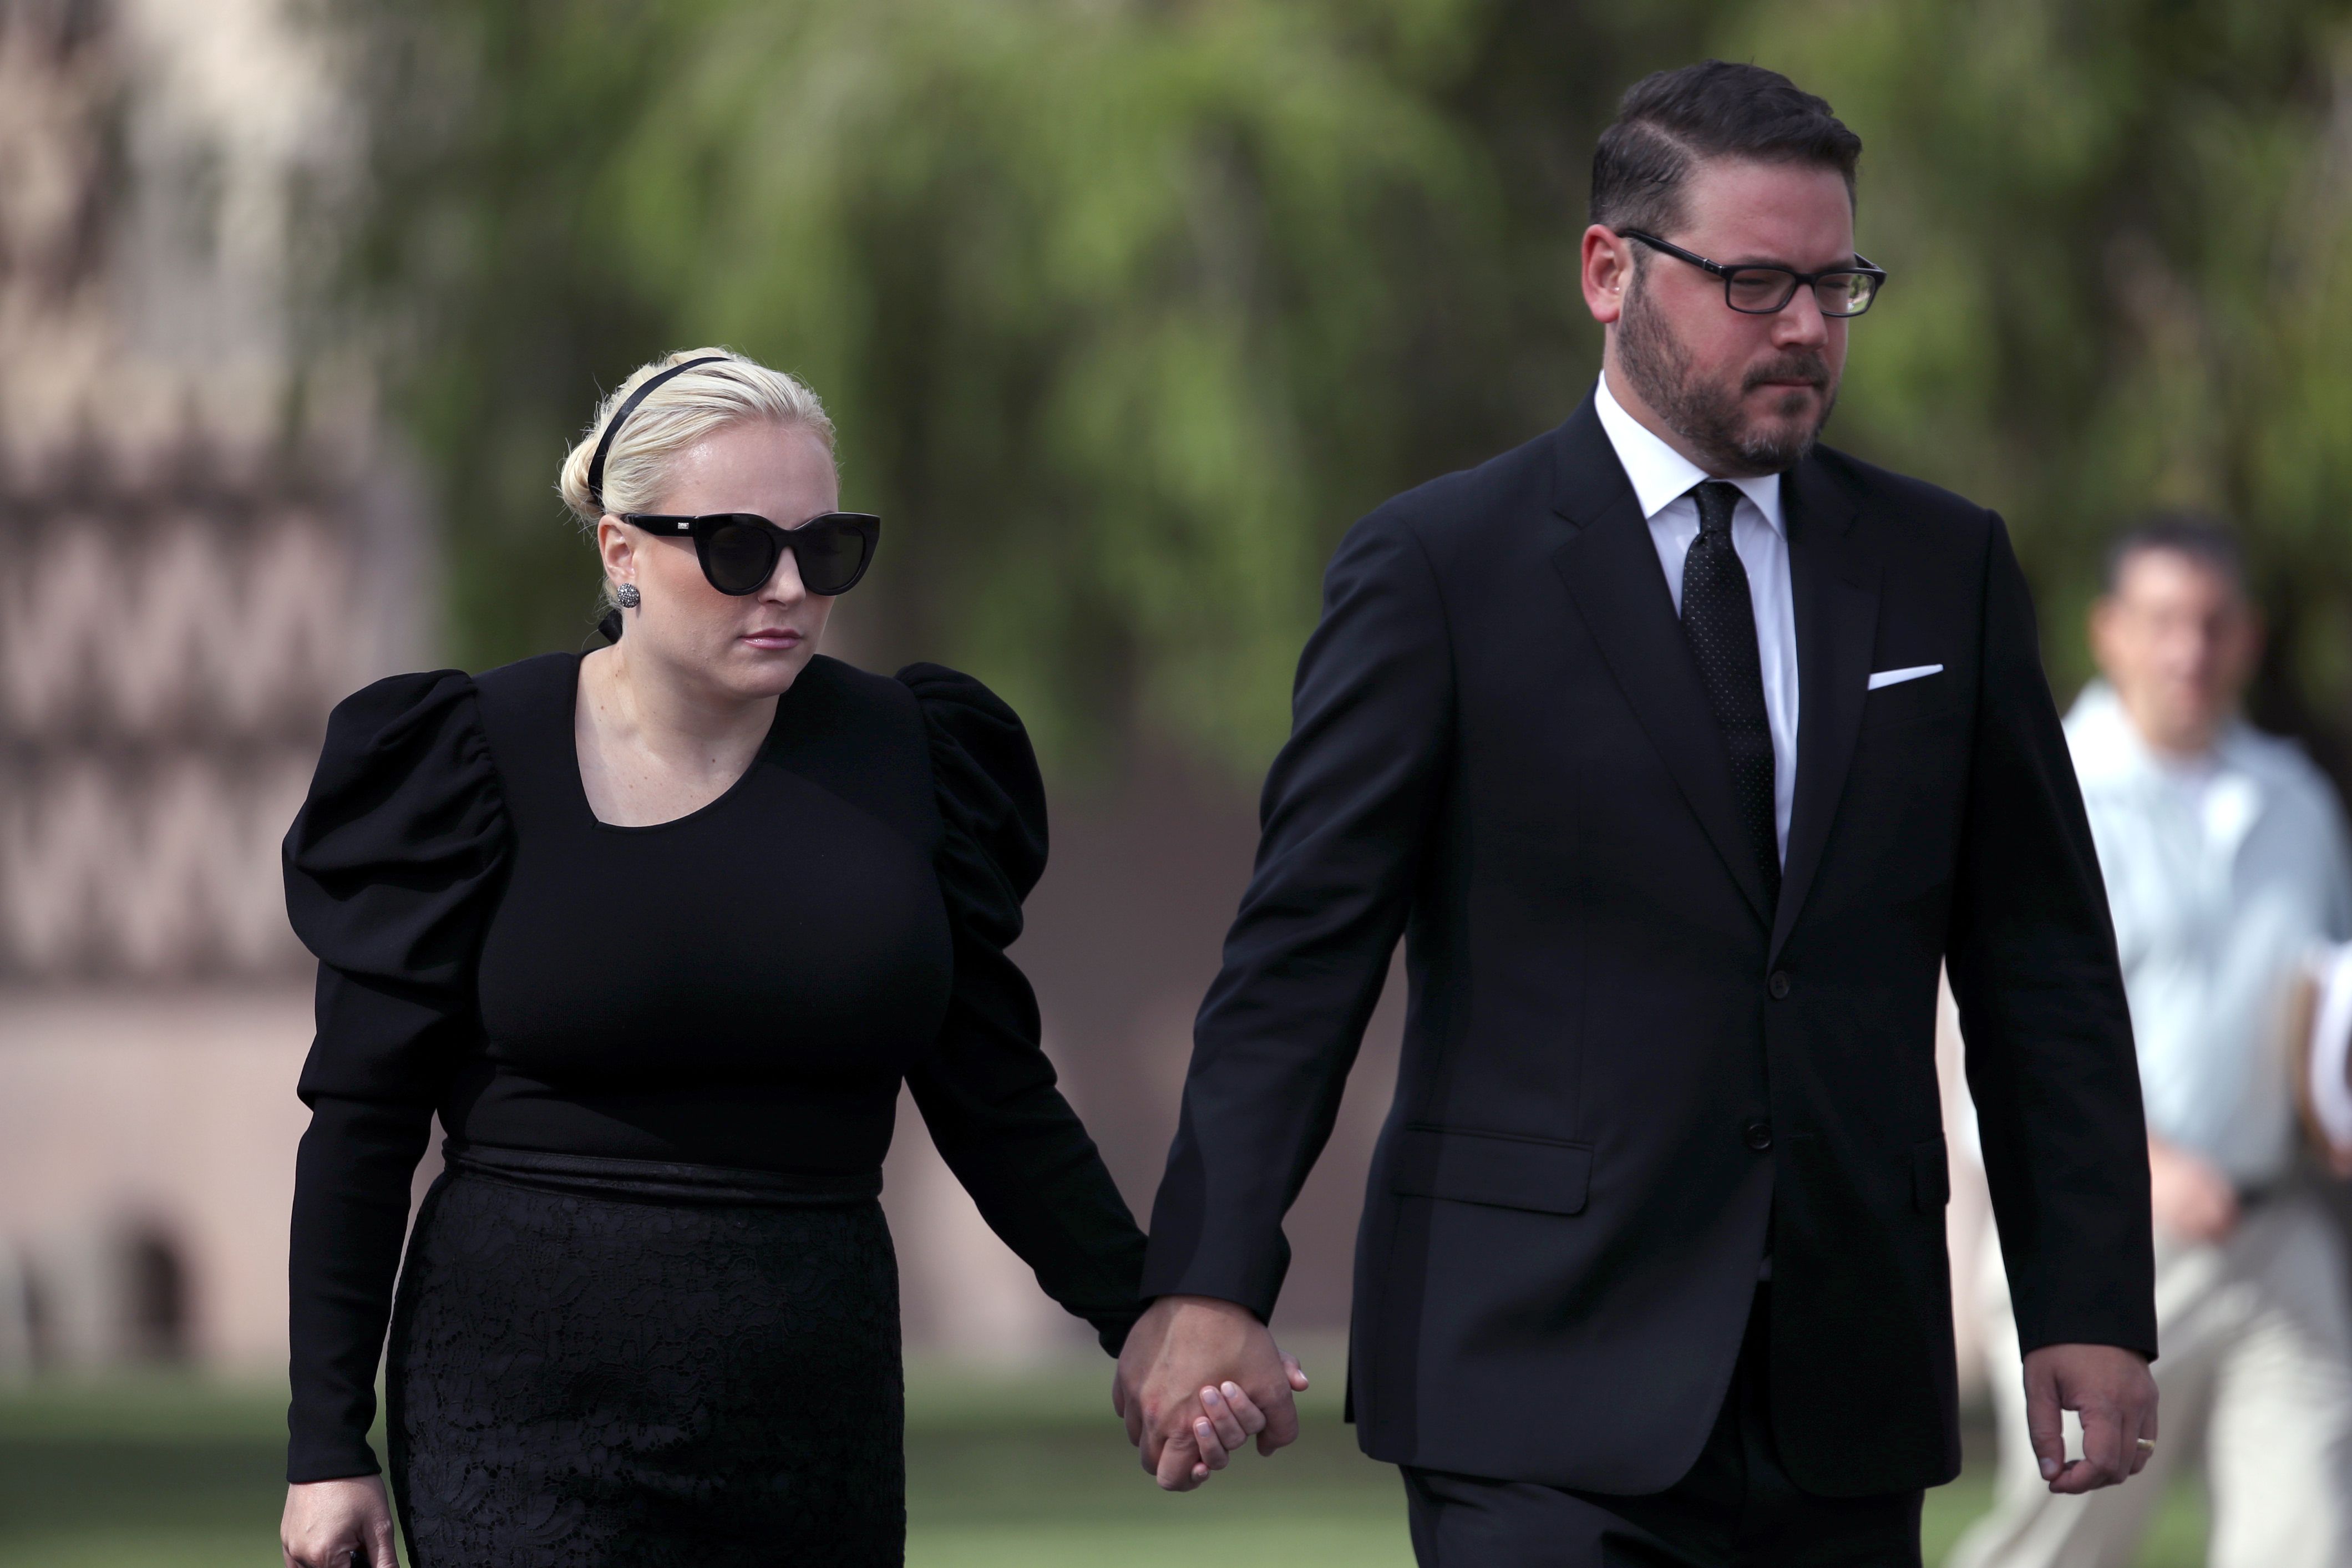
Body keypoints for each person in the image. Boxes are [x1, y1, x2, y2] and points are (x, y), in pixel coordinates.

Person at [1114, 62, 2161, 1566]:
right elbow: (1302, 957)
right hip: (1529, 1385)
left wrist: (2085, 1301)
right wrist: (1208, 1276)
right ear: (1610, 271)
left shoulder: (1948, 571)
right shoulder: (1439, 570)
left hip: (1846, 1385)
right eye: (1754, 282)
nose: (1805, 326)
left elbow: (2042, 970)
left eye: (1836, 284)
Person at [272, 349, 1225, 1566]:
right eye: (733, 549)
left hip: (807, 1409)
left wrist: (1140, 1316)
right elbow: (358, 1123)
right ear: (621, 551)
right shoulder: (463, 761)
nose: (785, 587)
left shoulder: (912, 759)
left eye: (823, 550)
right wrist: (324, 1445)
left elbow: (994, 1096)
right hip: (516, 1414)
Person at [1951, 519, 2352, 1568]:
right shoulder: (2049, 785)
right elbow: (1998, 1015)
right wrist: (2150, 1163)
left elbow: (2324, 1000)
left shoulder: (2297, 802)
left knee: (2310, 1528)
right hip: (2103, 1234)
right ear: (2110, 632)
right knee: (2069, 1539)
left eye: (2215, 624)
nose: (2191, 650)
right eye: (2164, 621)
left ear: (2250, 638)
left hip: (2278, 1234)